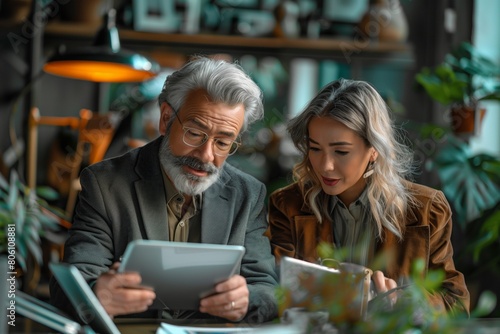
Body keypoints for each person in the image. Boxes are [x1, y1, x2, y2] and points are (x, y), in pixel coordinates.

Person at [50, 56, 279, 323]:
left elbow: (268, 290)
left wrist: (246, 299)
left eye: (223, 142)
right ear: (166, 119)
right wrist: (96, 293)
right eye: (194, 134)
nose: (206, 155)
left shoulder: (248, 194)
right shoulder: (105, 184)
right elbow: (71, 284)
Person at [266, 78, 470, 315]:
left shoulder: (426, 210)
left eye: (341, 151)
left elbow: (456, 305)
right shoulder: (288, 205)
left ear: (374, 149)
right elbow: (273, 289)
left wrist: (405, 302)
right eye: (315, 148)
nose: (326, 166)